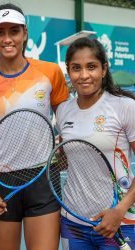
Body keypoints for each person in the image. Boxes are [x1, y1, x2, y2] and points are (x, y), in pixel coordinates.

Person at [0, 3, 69, 250]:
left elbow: (69, 124)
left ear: (25, 34)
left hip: (44, 179)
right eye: (0, 32)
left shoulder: (50, 73)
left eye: (14, 31)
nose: (7, 38)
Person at [56, 37, 135, 249]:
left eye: (91, 67)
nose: (83, 75)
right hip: (73, 221)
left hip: (120, 222)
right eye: (76, 68)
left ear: (104, 69)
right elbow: (67, 161)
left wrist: (119, 211)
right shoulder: (63, 111)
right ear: (68, 71)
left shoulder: (125, 107)